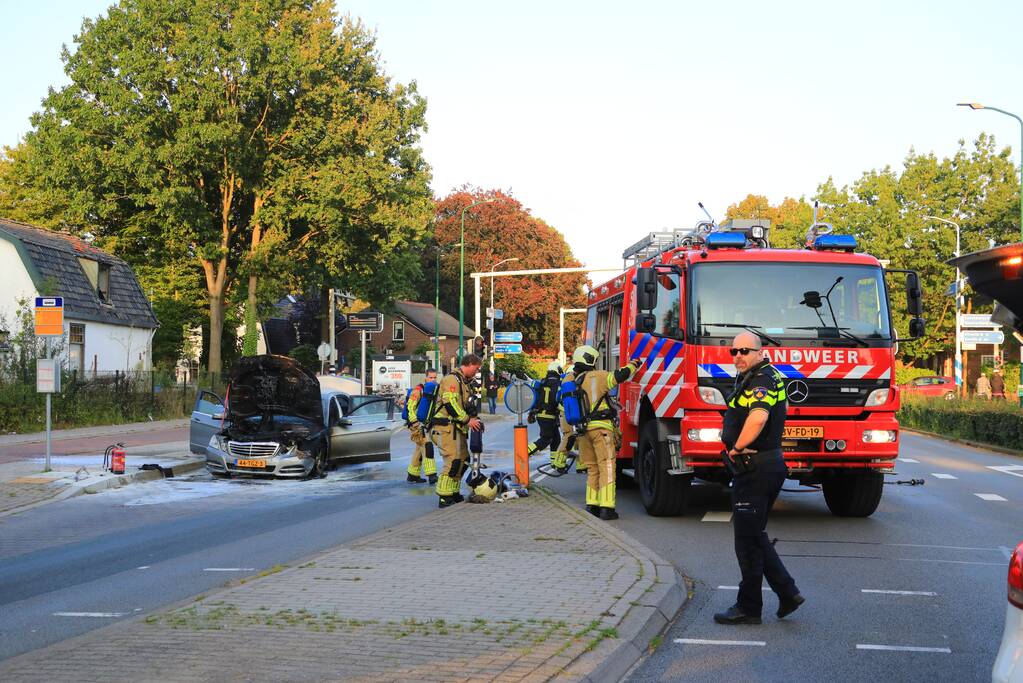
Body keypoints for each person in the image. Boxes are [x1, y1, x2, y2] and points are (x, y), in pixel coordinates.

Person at [714, 332, 803, 626]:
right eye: (733, 351)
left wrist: (737, 448)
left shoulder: (762, 379)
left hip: (756, 467)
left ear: (759, 352)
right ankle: (786, 593)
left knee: (747, 540)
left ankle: (749, 607)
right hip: (763, 466)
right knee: (754, 535)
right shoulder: (759, 376)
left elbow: (758, 418)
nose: (738, 356)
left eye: (744, 351)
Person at [571, 345, 641, 520]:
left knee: (593, 468)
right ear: (592, 360)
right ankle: (607, 508)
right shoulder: (598, 376)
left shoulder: (575, 380)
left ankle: (592, 505)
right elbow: (620, 376)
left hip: (584, 431)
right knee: (607, 467)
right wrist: (634, 364)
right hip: (601, 429)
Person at [431, 354, 484, 508]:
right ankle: (444, 496)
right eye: (476, 368)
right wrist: (468, 421)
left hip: (456, 427)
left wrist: (476, 420)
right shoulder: (451, 380)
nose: (477, 371)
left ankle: (453, 492)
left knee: (463, 460)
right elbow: (450, 404)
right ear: (469, 364)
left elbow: (467, 406)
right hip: (445, 427)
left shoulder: (465, 382)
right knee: (453, 460)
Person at [405, 369, 439, 485]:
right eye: (430, 377)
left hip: (426, 424)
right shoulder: (418, 390)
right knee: (427, 446)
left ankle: (412, 475)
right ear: (425, 378)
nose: (433, 380)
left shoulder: (433, 390)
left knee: (419, 449)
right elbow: (410, 406)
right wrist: (415, 423)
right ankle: (432, 475)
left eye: (435, 378)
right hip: (417, 424)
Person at [527, 362, 563, 460]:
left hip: (541, 415)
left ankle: (554, 462)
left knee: (556, 439)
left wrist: (531, 412)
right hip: (549, 416)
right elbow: (558, 400)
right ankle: (525, 451)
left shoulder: (542, 382)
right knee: (546, 439)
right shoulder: (558, 384)